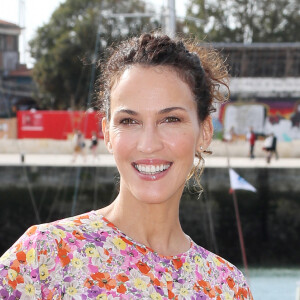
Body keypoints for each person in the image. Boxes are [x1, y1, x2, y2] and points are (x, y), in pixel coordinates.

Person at [0, 32, 253, 299]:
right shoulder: (45, 257)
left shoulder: (227, 286)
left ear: (204, 132)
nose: (148, 144)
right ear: (107, 134)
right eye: (129, 121)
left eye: (171, 119)